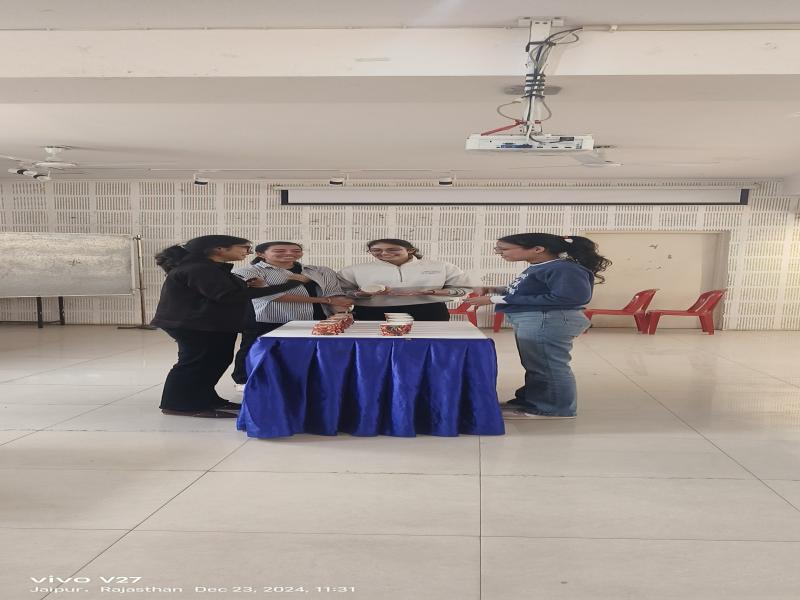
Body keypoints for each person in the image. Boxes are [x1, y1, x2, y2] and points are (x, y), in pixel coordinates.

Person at [151, 235, 306, 418]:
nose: (247, 252)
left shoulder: (211, 267)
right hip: (195, 324)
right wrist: (291, 284)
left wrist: (246, 286)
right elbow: (226, 296)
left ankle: (206, 398)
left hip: (209, 324)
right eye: (244, 247)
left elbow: (221, 291)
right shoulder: (200, 268)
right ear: (220, 249)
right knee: (196, 363)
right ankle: (180, 405)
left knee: (215, 361)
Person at [464, 233, 611, 419]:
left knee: (548, 366)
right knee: (537, 365)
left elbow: (569, 297)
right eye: (498, 249)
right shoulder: (542, 266)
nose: (500, 253)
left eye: (504, 249)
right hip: (539, 318)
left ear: (538, 249)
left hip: (548, 319)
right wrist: (493, 289)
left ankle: (554, 409)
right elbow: (529, 290)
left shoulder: (564, 268)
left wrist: (495, 299)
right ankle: (533, 402)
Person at [230, 241, 353, 388]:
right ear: (261, 254)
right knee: (259, 352)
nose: (289, 254)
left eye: (296, 250)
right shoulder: (248, 271)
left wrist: (340, 313)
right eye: (280, 251)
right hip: (269, 320)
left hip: (314, 319)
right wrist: (324, 300)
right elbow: (270, 296)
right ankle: (246, 382)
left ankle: (300, 383)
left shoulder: (319, 271)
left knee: (305, 353)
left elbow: (334, 294)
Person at [337, 238, 475, 321]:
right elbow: (341, 293)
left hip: (430, 311)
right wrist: (363, 294)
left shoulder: (442, 266)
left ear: (410, 250)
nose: (384, 253)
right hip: (371, 313)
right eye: (376, 250)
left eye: (392, 249)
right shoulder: (354, 270)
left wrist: (433, 292)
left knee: (425, 346)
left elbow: (464, 288)